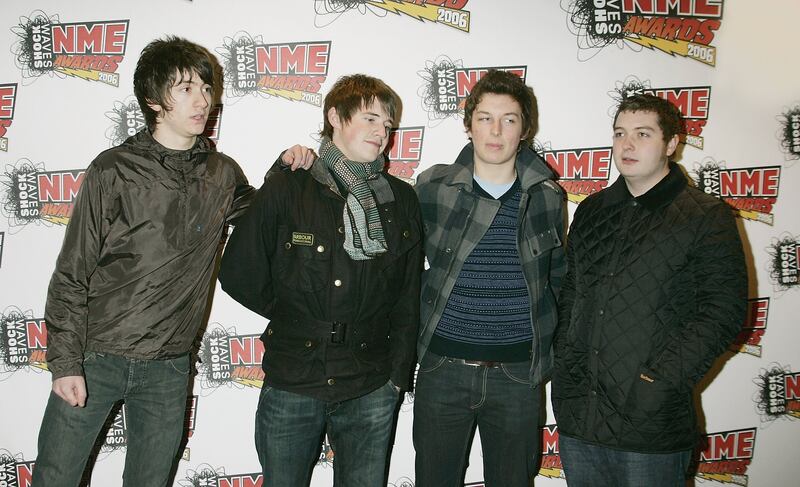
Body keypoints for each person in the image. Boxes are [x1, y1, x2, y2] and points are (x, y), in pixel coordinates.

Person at [32, 36, 253, 486]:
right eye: (186, 88)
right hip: (96, 355)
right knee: (56, 477)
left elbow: (269, 218)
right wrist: (66, 362)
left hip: (169, 368)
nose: (202, 100)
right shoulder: (113, 169)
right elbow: (73, 271)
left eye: (206, 88)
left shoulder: (222, 174)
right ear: (154, 100)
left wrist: (291, 166)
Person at [218, 74, 422, 487]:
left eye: (388, 125)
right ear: (335, 116)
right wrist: (296, 317)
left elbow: (408, 297)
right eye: (370, 118)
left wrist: (396, 380)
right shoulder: (288, 186)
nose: (382, 132)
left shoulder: (400, 199)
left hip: (371, 382)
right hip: (295, 376)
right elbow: (239, 271)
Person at [551, 93, 748, 486]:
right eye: (620, 133)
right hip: (580, 418)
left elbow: (723, 312)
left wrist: (656, 383)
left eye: (643, 134)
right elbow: (571, 294)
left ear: (671, 144)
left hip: (649, 425)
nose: (627, 144)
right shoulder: (591, 210)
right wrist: (566, 368)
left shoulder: (705, 216)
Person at [412, 69, 566, 487]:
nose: (495, 131)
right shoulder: (432, 187)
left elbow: (557, 280)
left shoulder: (547, 197)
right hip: (443, 368)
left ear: (524, 129)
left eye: (509, 119)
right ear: (468, 125)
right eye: (484, 118)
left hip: (517, 377)